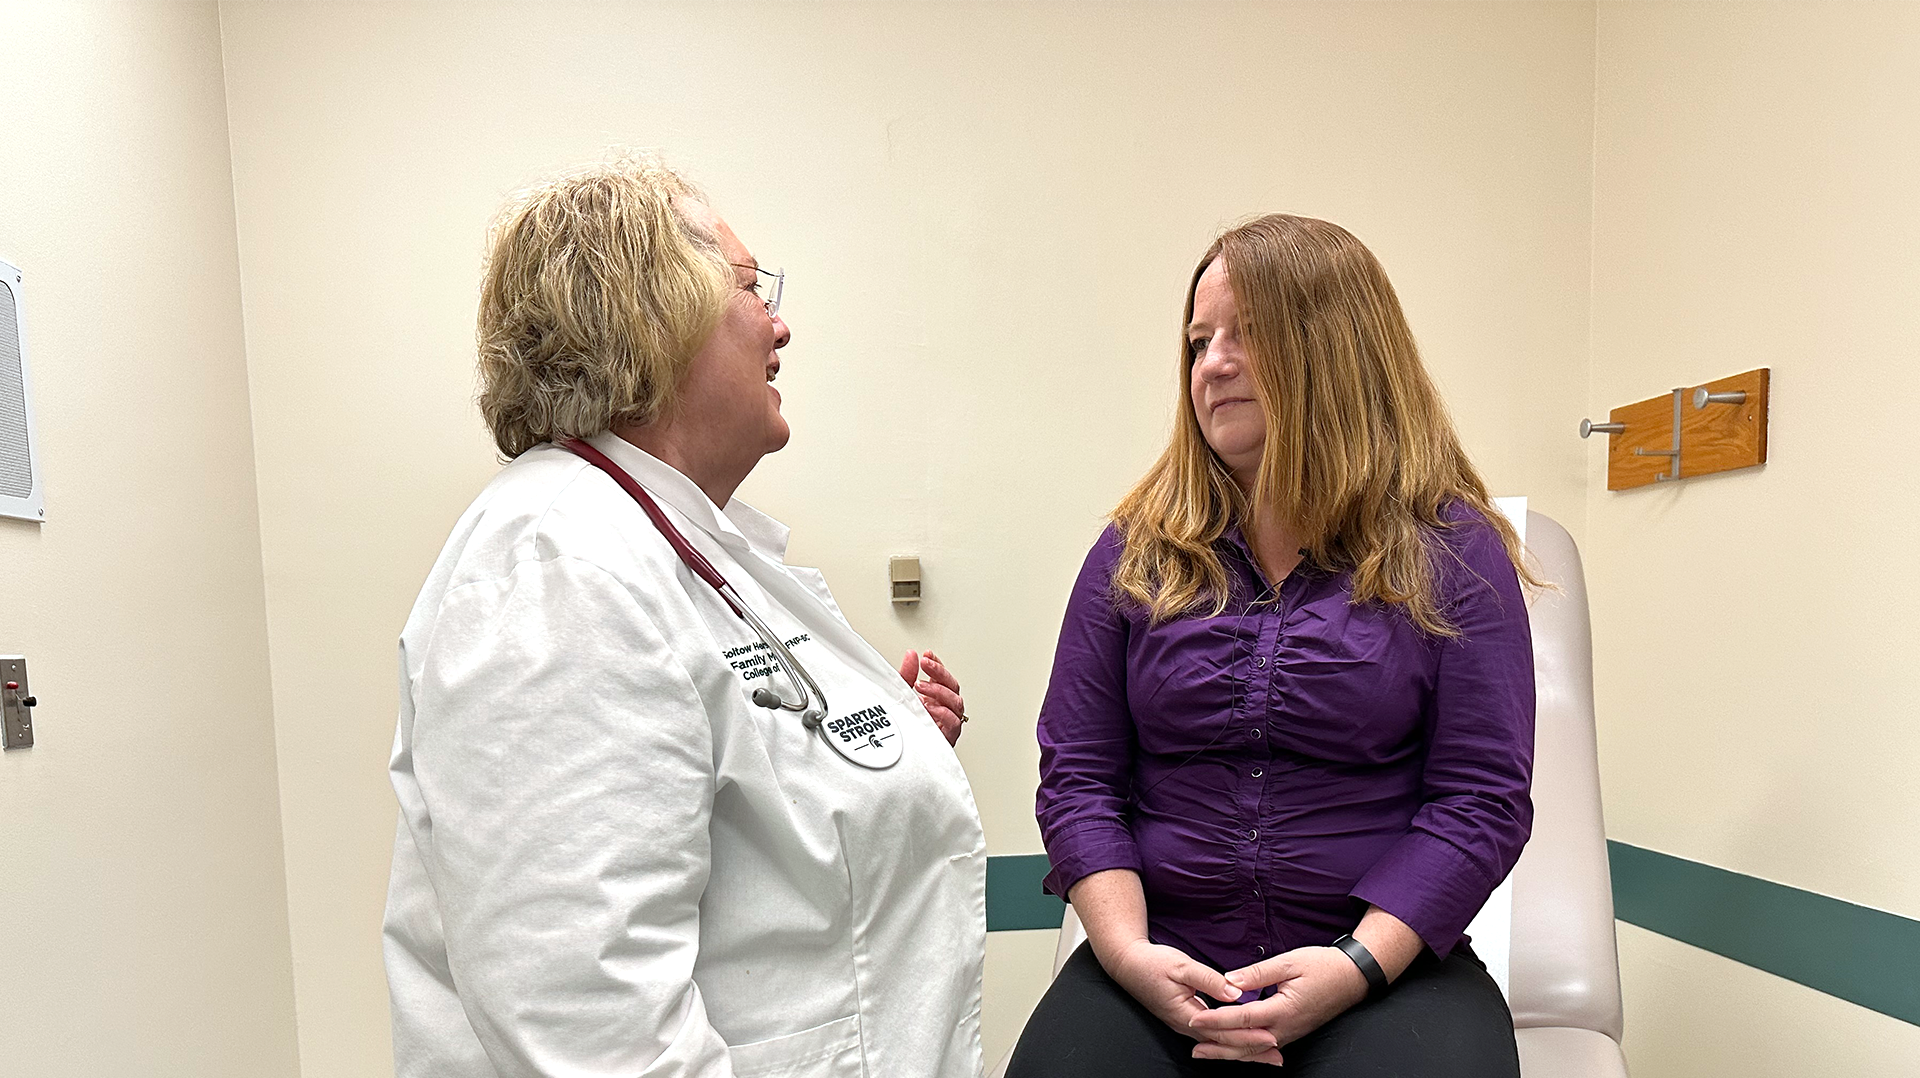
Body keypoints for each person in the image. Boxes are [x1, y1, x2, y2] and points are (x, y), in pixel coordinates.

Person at [382, 157, 985, 1078]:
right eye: (752, 288)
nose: (780, 325)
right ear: (654, 313)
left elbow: (740, 807)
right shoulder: (556, 566)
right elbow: (590, 1023)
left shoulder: (667, 540)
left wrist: (889, 747)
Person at [1008, 214, 1540, 1076]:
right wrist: (1128, 957)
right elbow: (1078, 777)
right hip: (1159, 966)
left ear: (1335, 349)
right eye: (1197, 340)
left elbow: (1480, 799)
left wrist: (1355, 966)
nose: (1211, 364)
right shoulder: (1133, 553)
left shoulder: (1454, 551)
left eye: (1247, 334)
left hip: (1378, 969)